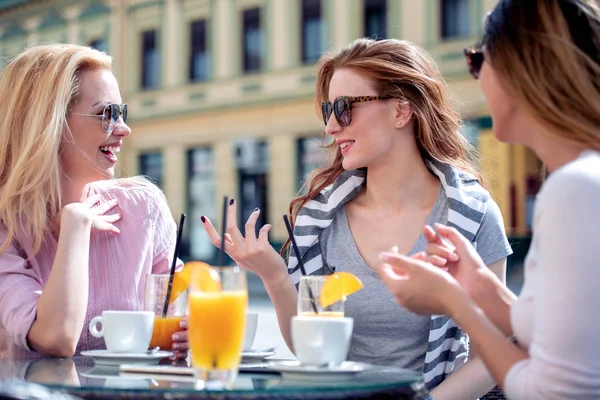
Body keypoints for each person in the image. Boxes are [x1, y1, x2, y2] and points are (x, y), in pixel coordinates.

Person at [202, 38, 513, 398]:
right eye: (327, 110)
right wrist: (274, 276)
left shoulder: (472, 214)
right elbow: (311, 349)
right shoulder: (318, 220)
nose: (331, 127)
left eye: (345, 107)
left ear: (401, 111)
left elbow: (493, 350)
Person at [377, 1, 600, 399]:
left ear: (524, 71)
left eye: (479, 60)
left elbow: (552, 391)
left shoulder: (576, 189)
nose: (476, 78)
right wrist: (478, 284)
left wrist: (454, 302)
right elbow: (559, 331)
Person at [0, 44, 187, 359]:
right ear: (49, 124)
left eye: (122, 113)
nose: (124, 129)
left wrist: (187, 328)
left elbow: (178, 308)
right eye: (107, 114)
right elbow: (55, 337)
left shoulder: (143, 207)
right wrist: (76, 225)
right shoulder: (6, 225)